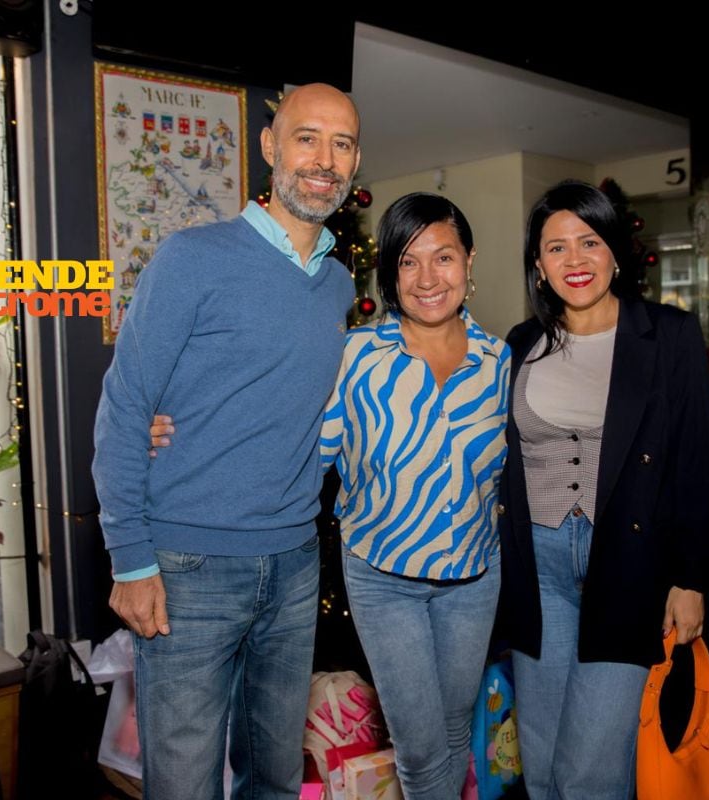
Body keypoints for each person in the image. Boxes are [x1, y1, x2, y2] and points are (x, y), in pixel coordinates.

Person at [152, 193, 510, 799]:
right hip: (383, 573)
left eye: (443, 258)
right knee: (422, 749)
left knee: (454, 734)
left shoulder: (498, 360)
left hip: (475, 574)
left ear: (469, 261)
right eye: (408, 261)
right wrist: (177, 431)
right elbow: (293, 440)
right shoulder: (357, 357)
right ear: (389, 273)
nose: (428, 278)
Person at [92, 83, 361, 800]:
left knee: (274, 778)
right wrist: (131, 558)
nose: (325, 160)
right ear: (271, 147)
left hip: (296, 565)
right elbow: (125, 406)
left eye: (342, 144)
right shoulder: (192, 258)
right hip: (188, 567)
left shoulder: (338, 284)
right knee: (182, 785)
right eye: (308, 138)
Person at [495, 180, 709, 800]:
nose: (574, 261)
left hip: (627, 565)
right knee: (540, 762)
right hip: (537, 570)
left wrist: (692, 577)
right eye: (556, 248)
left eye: (588, 242)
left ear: (615, 251)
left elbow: (697, 462)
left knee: (589, 770)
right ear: (538, 266)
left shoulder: (669, 335)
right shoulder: (519, 344)